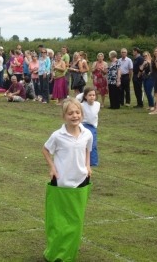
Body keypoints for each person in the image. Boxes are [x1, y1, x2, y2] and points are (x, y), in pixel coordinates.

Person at [42, 97, 92, 261]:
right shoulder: (58, 135)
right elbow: (45, 149)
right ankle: (55, 253)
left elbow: (87, 150)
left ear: (82, 115)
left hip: (80, 180)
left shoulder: (87, 134)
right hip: (62, 180)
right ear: (64, 116)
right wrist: (53, 167)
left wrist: (87, 166)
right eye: (70, 113)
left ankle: (69, 254)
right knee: (59, 221)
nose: (74, 116)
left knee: (75, 221)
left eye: (77, 112)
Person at [81, 87, 100, 166]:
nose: (92, 97)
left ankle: (93, 162)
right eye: (89, 95)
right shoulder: (81, 105)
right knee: (83, 144)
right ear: (85, 96)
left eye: (93, 95)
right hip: (83, 126)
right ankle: (83, 161)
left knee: (93, 144)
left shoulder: (97, 104)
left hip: (93, 127)